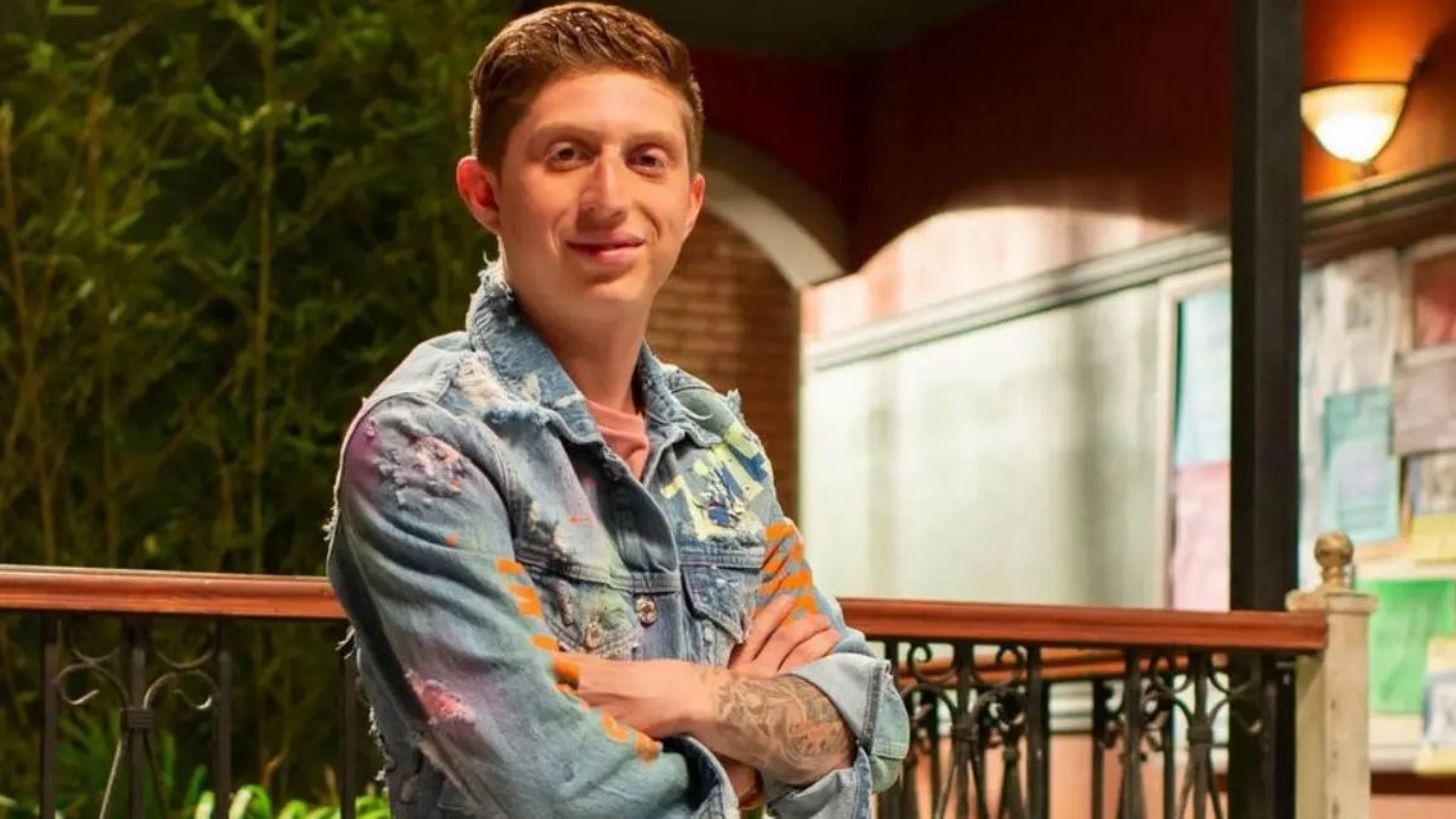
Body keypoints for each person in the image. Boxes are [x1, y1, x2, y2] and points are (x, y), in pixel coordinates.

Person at [325, 4, 908, 816]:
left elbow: (874, 727)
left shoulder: (717, 442)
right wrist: (752, 766)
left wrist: (688, 692)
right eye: (567, 155)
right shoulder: (423, 442)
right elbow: (556, 792)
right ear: (485, 193)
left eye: (647, 159)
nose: (610, 196)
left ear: (690, 201)